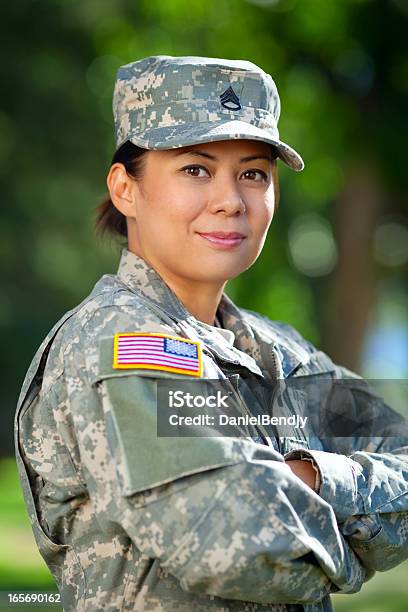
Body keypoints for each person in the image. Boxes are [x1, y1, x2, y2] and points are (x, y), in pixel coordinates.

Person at [15, 55, 408, 612]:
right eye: (195, 169)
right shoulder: (120, 342)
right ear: (126, 189)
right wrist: (354, 541)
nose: (230, 200)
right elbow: (237, 544)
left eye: (253, 174)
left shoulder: (280, 352)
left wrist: (314, 477)